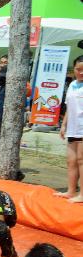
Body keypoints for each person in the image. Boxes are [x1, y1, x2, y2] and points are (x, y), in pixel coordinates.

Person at [56, 55, 83, 203]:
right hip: (72, 128)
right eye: (78, 69)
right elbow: (69, 108)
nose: (81, 72)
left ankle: (82, 194)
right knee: (71, 161)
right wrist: (64, 125)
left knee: (81, 160)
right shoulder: (72, 85)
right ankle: (71, 191)